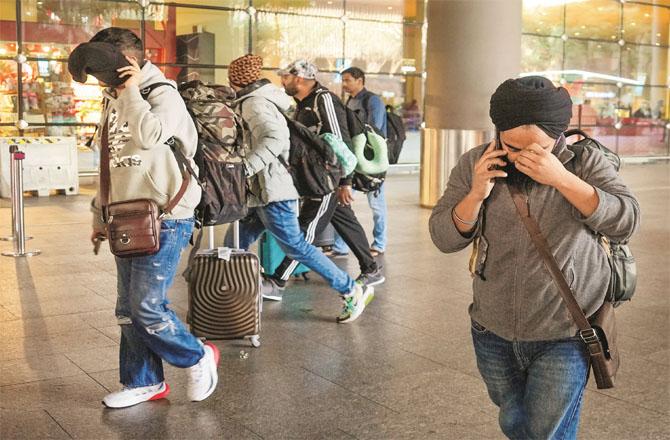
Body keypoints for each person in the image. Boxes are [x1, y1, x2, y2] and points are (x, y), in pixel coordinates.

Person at [429, 76, 640, 439]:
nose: (524, 157)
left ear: (557, 137)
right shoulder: (475, 163)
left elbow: (626, 220)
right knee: (513, 419)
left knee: (546, 432)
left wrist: (562, 179)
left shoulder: (583, 160)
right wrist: (477, 193)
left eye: (539, 148)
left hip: (566, 330)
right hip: (491, 328)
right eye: (512, 146)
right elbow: (444, 238)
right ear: (497, 133)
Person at [70, 27, 219, 409]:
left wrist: (132, 91)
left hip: (167, 214)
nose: (104, 79)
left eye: (110, 69)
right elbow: (110, 162)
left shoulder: (162, 94)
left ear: (131, 62)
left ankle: (197, 355)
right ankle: (144, 381)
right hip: (125, 216)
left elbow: (151, 135)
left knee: (147, 307)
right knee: (127, 310)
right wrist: (98, 214)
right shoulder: (113, 99)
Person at [224, 54, 373, 323]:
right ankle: (229, 290)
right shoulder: (263, 101)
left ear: (235, 80)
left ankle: (351, 289)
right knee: (235, 242)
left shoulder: (255, 104)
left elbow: (275, 138)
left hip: (274, 189)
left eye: (288, 76)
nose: (283, 80)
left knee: (297, 245)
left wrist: (245, 168)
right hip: (263, 190)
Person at [271, 59, 385, 293]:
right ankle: (371, 268)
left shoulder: (323, 100)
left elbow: (340, 140)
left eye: (286, 77)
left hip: (328, 178)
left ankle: (278, 279)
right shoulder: (302, 103)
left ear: (300, 79)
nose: (283, 81)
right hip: (318, 176)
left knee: (307, 228)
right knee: (345, 220)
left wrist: (346, 181)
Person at [329, 66, 388, 258]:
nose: (344, 84)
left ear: (360, 80)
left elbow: (374, 130)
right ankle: (340, 246)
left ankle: (379, 243)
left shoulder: (373, 101)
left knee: (377, 205)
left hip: (371, 162)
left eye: (347, 80)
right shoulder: (350, 101)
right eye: (343, 80)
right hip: (354, 160)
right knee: (343, 202)